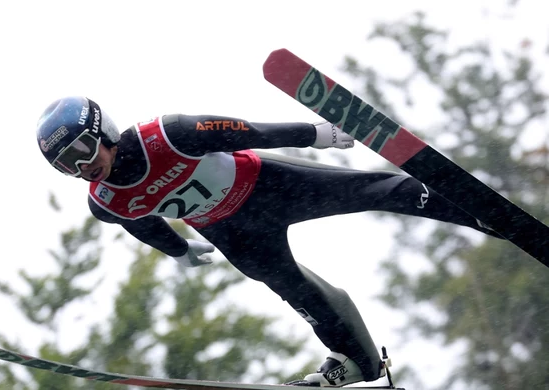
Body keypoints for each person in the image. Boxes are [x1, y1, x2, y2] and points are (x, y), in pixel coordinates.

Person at [35, 96, 502, 387]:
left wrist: (315, 134)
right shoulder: (106, 201)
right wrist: (179, 250)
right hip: (233, 231)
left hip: (269, 186)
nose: (81, 168)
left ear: (105, 131)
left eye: (81, 152)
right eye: (65, 165)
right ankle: (356, 361)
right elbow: (141, 224)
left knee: (377, 191)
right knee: (297, 292)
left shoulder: (169, 134)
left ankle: (479, 213)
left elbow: (247, 130)